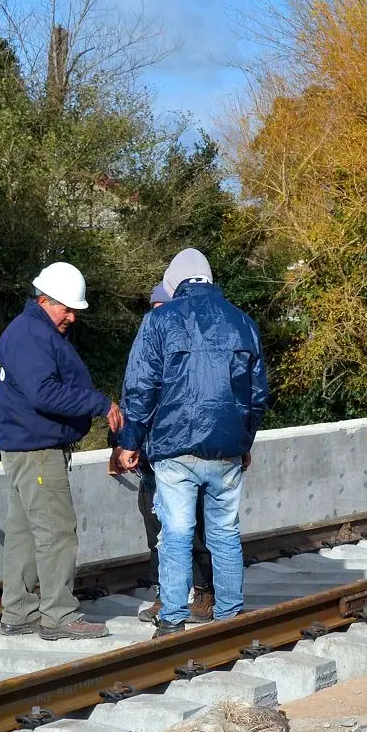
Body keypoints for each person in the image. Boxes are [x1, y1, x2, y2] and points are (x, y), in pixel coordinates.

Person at [115, 250, 268, 636]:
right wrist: (244, 440)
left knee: (177, 533)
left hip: (174, 447)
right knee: (225, 532)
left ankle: (171, 619)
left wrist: (129, 441)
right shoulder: (243, 322)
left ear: (175, 284)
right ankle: (230, 616)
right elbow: (257, 395)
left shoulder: (159, 321)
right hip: (227, 449)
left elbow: (140, 387)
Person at [0, 262, 122, 639]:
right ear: (44, 299)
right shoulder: (33, 336)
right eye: (66, 308)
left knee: (25, 534)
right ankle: (59, 616)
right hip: (38, 451)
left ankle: (18, 610)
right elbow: (43, 392)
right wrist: (98, 403)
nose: (72, 317)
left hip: (21, 447)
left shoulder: (26, 331)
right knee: (56, 532)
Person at [115, 283, 214, 625]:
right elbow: (135, 395)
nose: (157, 315)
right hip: (151, 455)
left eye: (163, 308)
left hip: (181, 451)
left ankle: (203, 590)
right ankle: (166, 592)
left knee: (193, 522)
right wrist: (125, 442)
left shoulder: (188, 349)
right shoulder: (148, 342)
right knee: (156, 523)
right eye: (154, 309)